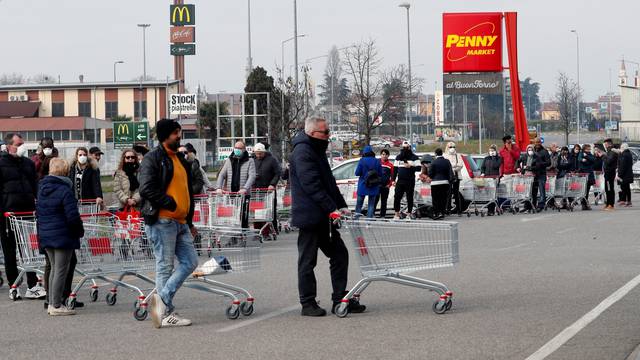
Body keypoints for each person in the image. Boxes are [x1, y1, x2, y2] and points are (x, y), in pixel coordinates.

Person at [289, 115, 364, 317]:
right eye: (326, 132)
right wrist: (332, 208)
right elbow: (312, 185)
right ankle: (307, 303)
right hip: (310, 217)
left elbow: (329, 183)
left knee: (339, 254)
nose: (329, 136)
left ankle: (340, 298)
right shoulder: (303, 152)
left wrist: (340, 205)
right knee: (308, 261)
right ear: (313, 133)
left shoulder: (316, 149)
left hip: (323, 216)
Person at [139, 119, 198, 328]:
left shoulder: (180, 160)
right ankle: (165, 314)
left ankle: (160, 302)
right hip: (162, 220)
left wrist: (189, 220)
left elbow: (188, 191)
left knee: (191, 262)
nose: (179, 136)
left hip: (181, 222)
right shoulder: (152, 158)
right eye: (175, 133)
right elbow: (146, 188)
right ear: (165, 135)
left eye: (179, 132)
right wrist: (169, 202)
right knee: (165, 266)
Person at [0, 133, 45, 300]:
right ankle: (14, 285)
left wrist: (37, 203)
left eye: (23, 143)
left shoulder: (27, 163)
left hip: (27, 213)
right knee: (10, 251)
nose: (22, 147)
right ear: (9, 146)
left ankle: (32, 285)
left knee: (28, 250)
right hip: (7, 215)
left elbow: (35, 186)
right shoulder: (1, 163)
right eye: (19, 144)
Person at [36, 158, 84, 316]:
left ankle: (51, 302)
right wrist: (79, 231)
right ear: (64, 171)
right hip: (63, 234)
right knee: (61, 270)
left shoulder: (42, 188)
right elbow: (72, 216)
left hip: (46, 233)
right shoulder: (65, 190)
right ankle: (56, 305)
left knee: (54, 269)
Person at [216, 141, 256, 228]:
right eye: (236, 148)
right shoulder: (229, 160)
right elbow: (222, 174)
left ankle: (243, 234)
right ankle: (234, 235)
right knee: (233, 216)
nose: (237, 150)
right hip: (232, 193)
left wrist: (245, 188)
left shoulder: (250, 161)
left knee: (243, 215)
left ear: (244, 149)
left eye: (239, 148)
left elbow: (252, 176)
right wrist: (219, 187)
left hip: (244, 194)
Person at [252, 142, 281, 233]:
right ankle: (258, 229)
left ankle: (273, 229)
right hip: (256, 189)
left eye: (260, 153)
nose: (258, 155)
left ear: (264, 152)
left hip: (269, 190)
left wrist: (272, 184)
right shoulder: (252, 160)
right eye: (257, 153)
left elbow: (277, 173)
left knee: (270, 210)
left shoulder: (272, 160)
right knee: (257, 210)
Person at [393, 141, 420, 219]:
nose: (405, 149)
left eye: (406, 148)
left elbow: (419, 168)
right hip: (400, 180)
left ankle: (409, 214)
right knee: (397, 197)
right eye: (403, 148)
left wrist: (410, 166)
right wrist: (393, 180)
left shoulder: (414, 157)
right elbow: (395, 169)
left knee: (409, 197)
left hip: (410, 180)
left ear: (409, 148)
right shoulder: (398, 157)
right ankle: (396, 214)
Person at [354, 145, 382, 218]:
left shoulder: (362, 160)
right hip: (374, 185)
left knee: (359, 205)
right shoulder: (377, 161)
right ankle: (368, 222)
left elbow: (357, 173)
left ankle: (356, 221)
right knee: (371, 205)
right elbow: (380, 174)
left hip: (363, 185)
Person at [428, 148, 454, 220]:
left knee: (436, 199)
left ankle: (437, 213)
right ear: (442, 153)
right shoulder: (447, 161)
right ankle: (442, 212)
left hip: (435, 183)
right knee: (443, 198)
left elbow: (430, 174)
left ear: (435, 154)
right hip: (445, 182)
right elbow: (450, 171)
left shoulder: (433, 162)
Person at [444, 141, 464, 216]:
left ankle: (459, 210)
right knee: (448, 193)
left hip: (456, 176)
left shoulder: (458, 155)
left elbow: (460, 165)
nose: (452, 148)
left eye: (453, 147)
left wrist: (453, 167)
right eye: (450, 147)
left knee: (456, 193)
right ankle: (448, 209)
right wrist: (454, 165)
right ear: (447, 147)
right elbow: (446, 165)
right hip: (448, 176)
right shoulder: (445, 155)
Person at [531, 138, 550, 211]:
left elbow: (549, 163)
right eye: (536, 142)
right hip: (533, 174)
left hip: (541, 174)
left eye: (538, 142)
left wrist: (540, 164)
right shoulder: (532, 151)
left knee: (542, 190)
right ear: (534, 143)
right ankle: (533, 204)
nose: (537, 143)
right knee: (533, 191)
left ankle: (541, 205)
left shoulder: (544, 151)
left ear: (541, 143)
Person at [374, 149, 394, 218]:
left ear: (388, 156)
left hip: (385, 186)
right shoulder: (377, 163)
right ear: (381, 155)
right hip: (376, 186)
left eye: (386, 154)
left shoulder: (390, 165)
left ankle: (382, 215)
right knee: (375, 201)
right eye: (383, 154)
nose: (384, 156)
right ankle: (372, 214)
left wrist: (389, 185)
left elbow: (392, 177)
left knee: (384, 202)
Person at [578, 144, 595, 210]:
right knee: (583, 190)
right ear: (584, 149)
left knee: (587, 189)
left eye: (589, 149)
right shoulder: (581, 153)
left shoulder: (589, 154)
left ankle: (585, 203)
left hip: (589, 174)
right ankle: (583, 203)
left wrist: (586, 156)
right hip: (583, 174)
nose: (588, 150)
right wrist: (583, 160)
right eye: (587, 149)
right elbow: (579, 159)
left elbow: (593, 160)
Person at [602, 138, 618, 210]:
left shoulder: (612, 151)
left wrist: (603, 156)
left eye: (606, 144)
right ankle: (608, 203)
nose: (605, 146)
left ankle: (611, 204)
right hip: (607, 172)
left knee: (609, 189)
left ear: (609, 144)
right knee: (607, 188)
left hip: (610, 173)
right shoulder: (608, 151)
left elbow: (609, 161)